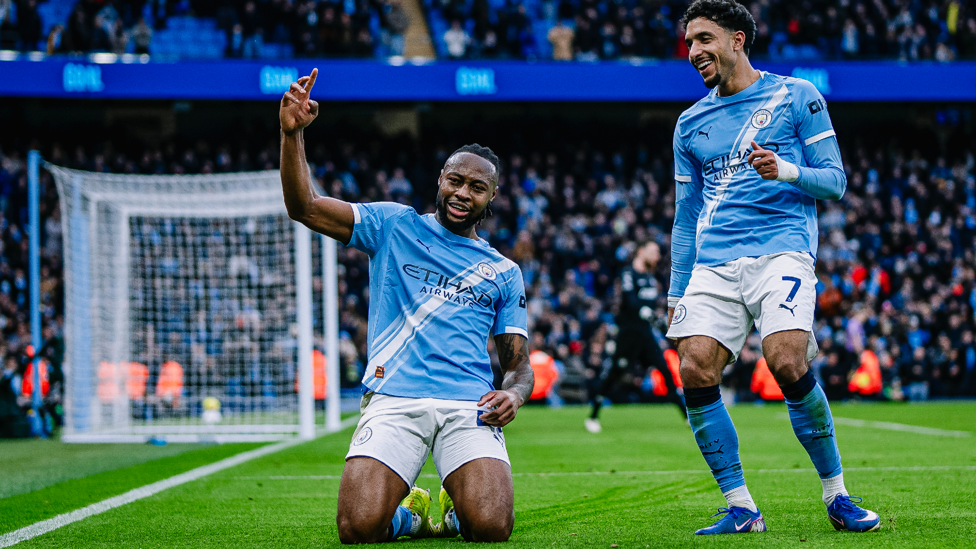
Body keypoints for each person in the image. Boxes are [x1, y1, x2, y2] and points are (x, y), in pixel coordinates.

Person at [279, 69, 533, 544]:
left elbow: (519, 366)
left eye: (476, 188)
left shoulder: (503, 271)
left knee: (491, 527)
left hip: (468, 405)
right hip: (394, 396)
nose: (462, 193)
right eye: (455, 180)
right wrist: (291, 134)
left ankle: (457, 512)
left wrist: (514, 394)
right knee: (357, 528)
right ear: (441, 179)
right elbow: (305, 207)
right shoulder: (393, 226)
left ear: (491, 196)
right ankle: (411, 514)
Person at [666, 0, 880, 535]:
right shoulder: (689, 123)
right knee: (693, 367)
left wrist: (785, 170)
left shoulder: (797, 97)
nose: (693, 52)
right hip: (713, 263)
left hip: (781, 250)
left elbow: (834, 181)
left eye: (704, 39)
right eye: (689, 42)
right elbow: (685, 215)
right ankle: (741, 508)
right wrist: (676, 288)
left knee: (785, 359)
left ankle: (838, 495)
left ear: (738, 40)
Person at [586, 240, 685, 433]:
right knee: (614, 373)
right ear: (641, 252)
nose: (657, 256)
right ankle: (593, 415)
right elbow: (630, 300)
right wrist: (647, 313)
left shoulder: (650, 278)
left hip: (645, 334)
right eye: (654, 252)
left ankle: (686, 416)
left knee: (665, 371)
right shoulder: (628, 274)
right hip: (628, 335)